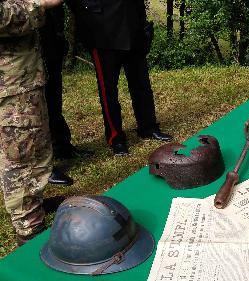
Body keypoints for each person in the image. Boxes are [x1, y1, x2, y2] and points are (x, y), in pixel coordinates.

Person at [67, 0, 173, 156]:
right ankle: (116, 138)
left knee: (141, 82)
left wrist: (141, 21)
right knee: (108, 91)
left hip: (133, 23)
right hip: (102, 29)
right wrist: (89, 12)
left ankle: (148, 127)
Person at [0, 0, 63, 245]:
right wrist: (41, 4)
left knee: (32, 148)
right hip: (11, 83)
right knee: (20, 157)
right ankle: (29, 229)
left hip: (20, 78)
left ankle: (31, 203)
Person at [39, 4, 92, 161]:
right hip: (31, 52)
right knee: (39, 107)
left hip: (52, 44)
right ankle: (45, 158)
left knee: (54, 100)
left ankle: (62, 147)